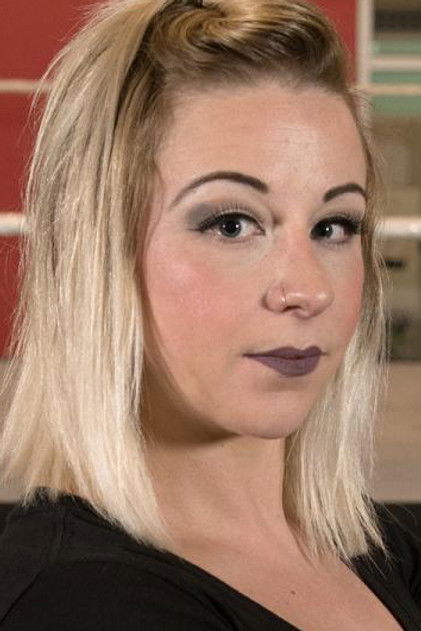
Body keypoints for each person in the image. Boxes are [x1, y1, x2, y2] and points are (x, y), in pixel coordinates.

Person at [0, 0, 419, 628]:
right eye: (231, 224)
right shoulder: (83, 604)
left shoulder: (386, 552)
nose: (309, 290)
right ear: (98, 251)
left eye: (333, 225)